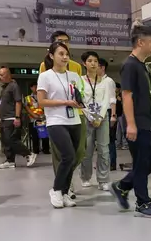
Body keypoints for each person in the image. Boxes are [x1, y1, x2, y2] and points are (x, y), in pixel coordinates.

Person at [110, 26, 151, 218]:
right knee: (141, 164)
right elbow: (126, 96)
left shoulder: (145, 66)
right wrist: (131, 124)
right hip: (139, 123)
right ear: (141, 42)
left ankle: (122, 186)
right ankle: (143, 202)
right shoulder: (130, 65)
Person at [37, 41, 84, 208]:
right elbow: (41, 101)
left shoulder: (74, 76)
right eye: (61, 54)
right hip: (56, 121)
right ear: (52, 56)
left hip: (75, 120)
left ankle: (64, 193)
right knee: (68, 156)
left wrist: (80, 103)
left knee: (73, 159)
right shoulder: (45, 76)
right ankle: (56, 190)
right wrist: (65, 102)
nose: (65, 57)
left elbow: (79, 97)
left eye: (67, 54)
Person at [80, 51, 113, 191]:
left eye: (95, 61)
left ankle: (103, 180)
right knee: (86, 150)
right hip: (87, 116)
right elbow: (81, 100)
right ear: (84, 63)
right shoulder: (80, 80)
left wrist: (99, 117)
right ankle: (85, 177)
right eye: (90, 61)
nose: (93, 63)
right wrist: (90, 116)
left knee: (104, 149)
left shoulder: (107, 81)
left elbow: (107, 100)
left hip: (102, 117)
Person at [0, 67, 37, 169]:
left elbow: (18, 102)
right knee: (5, 141)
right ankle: (10, 161)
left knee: (11, 139)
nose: (0, 77)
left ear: (9, 75)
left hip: (12, 117)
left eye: (2, 75)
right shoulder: (4, 89)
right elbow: (2, 104)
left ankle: (28, 154)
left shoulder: (14, 86)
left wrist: (17, 117)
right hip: (4, 118)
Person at [25, 82, 50, 154]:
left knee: (45, 134)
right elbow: (27, 108)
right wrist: (33, 115)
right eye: (34, 87)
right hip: (33, 119)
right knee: (34, 135)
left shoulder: (43, 97)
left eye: (37, 87)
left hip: (43, 118)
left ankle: (46, 149)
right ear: (31, 88)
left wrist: (44, 115)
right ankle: (36, 150)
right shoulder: (28, 98)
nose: (36, 88)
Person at [109, 83, 122, 170]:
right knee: (111, 141)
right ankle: (110, 164)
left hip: (113, 117)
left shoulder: (114, 96)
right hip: (113, 117)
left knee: (110, 141)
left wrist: (113, 116)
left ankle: (111, 164)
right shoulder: (112, 95)